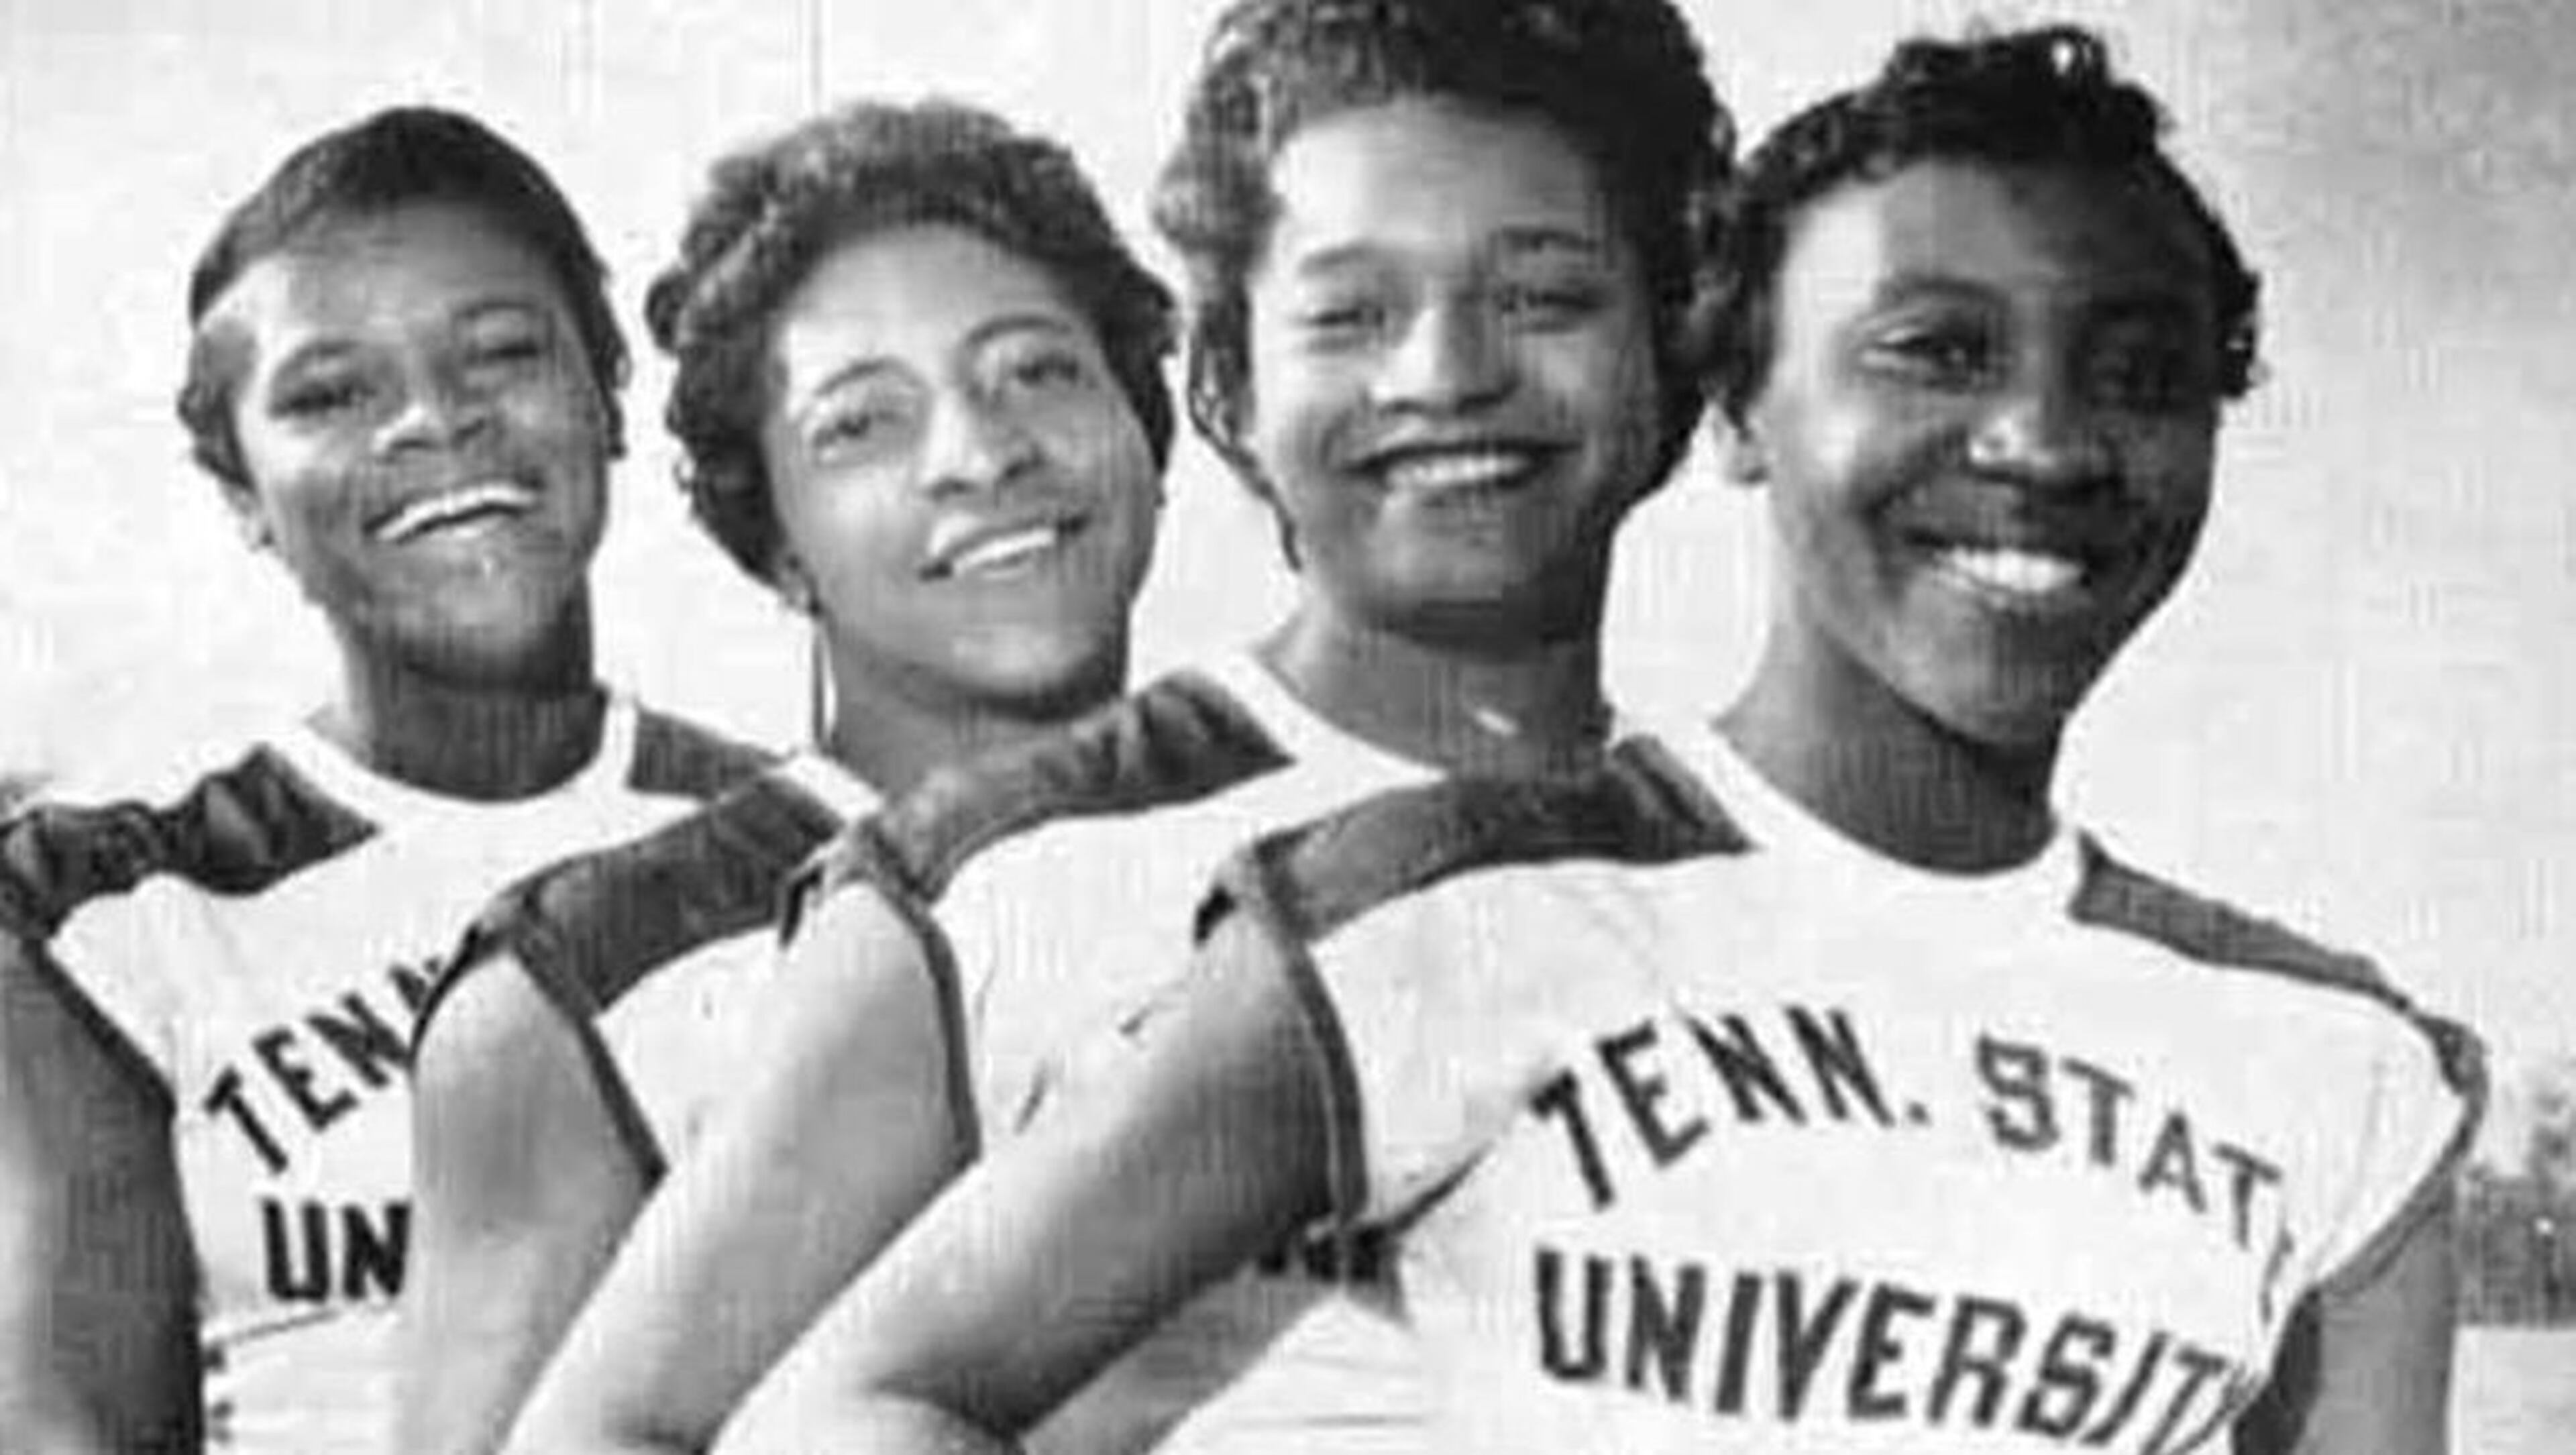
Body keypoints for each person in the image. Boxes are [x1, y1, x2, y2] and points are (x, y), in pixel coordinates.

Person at [706, 24, 2485, 1455]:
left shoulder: (2339, 1068)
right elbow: (848, 1403)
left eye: (2144, 374)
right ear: (1737, 404)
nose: (2043, 440)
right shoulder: (1435, 907)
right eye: (1935, 352)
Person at [498, 1, 1732, 1450]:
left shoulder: (1754, 866)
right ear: (1229, 387)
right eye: (1350, 314)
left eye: (1544, 297)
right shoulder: (985, 880)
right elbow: (611, 1433)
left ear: (1676, 341)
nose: (1448, 374)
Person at [397, 98, 1174, 1455]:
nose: (981, 453)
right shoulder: (579, 985)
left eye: (1039, 371)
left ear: (1145, 423)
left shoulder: (1319, 840)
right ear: (775, 538)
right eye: (861, 425)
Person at [0, 108, 770, 1452]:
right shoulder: (108, 907)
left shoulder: (800, 845)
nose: (435, 419)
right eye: (329, 394)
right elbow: (70, 1420)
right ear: (243, 493)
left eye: (503, 352)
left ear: (606, 398)